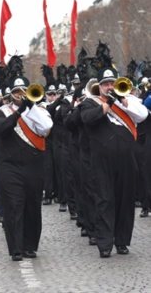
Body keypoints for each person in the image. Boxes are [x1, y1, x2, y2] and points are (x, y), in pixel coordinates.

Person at [80, 67, 148, 258]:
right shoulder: (90, 103)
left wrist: (122, 100)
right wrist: (108, 103)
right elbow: (88, 119)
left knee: (125, 200)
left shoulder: (129, 101)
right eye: (106, 84)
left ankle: (122, 241)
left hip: (126, 159)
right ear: (99, 86)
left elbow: (142, 115)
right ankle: (105, 243)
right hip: (102, 161)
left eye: (112, 83)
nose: (110, 87)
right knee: (104, 199)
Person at [0, 76, 53, 261]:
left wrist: (31, 108)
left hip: (33, 165)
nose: (21, 95)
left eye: (23, 91)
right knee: (13, 205)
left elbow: (46, 128)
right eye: (17, 91)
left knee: (32, 205)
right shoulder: (0, 112)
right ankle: (16, 248)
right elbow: (1, 129)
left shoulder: (38, 111)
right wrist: (18, 113)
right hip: (9, 166)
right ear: (11, 94)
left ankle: (30, 246)